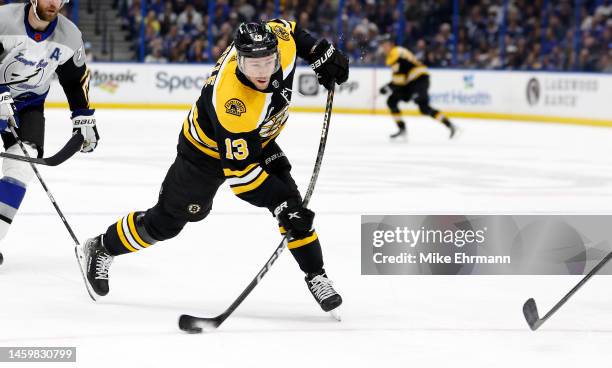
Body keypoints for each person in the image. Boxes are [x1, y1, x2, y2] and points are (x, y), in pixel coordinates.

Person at [77, 21, 348, 315]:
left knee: (293, 205)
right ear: (238, 60)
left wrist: (320, 51)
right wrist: (280, 205)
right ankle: (102, 246)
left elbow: (288, 28)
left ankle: (316, 274)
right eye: (252, 64)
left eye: (268, 62)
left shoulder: (280, 42)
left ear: (277, 54)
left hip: (258, 139)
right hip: (203, 155)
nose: (261, 72)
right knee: (167, 223)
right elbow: (242, 179)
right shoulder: (233, 103)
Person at [0, 0, 98, 266]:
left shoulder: (69, 35)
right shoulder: (4, 20)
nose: (54, 3)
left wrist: (83, 117)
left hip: (29, 104)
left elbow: (75, 79)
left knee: (21, 169)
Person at [378, 34, 457, 139]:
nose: (383, 47)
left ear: (391, 44)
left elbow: (399, 80)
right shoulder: (396, 52)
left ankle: (449, 125)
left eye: (384, 45)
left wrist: (387, 87)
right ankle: (402, 129)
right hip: (411, 82)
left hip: (419, 80)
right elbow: (401, 77)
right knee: (392, 101)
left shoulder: (395, 54)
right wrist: (389, 86)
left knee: (423, 107)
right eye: (382, 45)